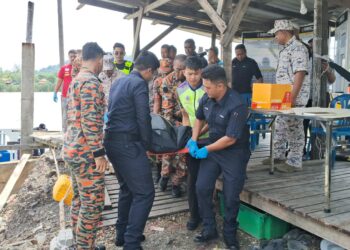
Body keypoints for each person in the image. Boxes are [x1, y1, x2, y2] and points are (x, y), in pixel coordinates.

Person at [188, 65, 250, 249]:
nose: (204, 90)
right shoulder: (208, 97)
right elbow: (200, 118)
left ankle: (230, 234)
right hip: (214, 148)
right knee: (201, 187)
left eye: (207, 87)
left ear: (220, 86)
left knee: (231, 196)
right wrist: (194, 139)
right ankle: (209, 228)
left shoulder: (237, 104)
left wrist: (206, 150)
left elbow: (230, 139)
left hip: (234, 152)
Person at [104, 51, 160, 250]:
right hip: (128, 144)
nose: (152, 78)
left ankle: (122, 234)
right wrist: (148, 145)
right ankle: (132, 242)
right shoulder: (139, 84)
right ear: (149, 70)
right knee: (145, 193)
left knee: (127, 188)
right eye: (153, 75)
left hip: (111, 142)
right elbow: (143, 117)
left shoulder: (119, 81)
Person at [63, 42, 108, 250]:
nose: (101, 65)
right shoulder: (91, 83)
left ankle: (81, 243)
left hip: (72, 148)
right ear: (98, 59)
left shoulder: (76, 80)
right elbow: (90, 123)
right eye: (102, 62)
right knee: (93, 204)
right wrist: (99, 154)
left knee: (80, 200)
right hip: (85, 153)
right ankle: (84, 247)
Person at [264, 19, 310, 172]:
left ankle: (295, 162)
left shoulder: (298, 48)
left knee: (294, 128)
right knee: (280, 125)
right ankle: (278, 156)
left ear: (283, 32)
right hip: (284, 96)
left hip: (293, 97)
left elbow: (300, 73)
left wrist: (292, 98)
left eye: (276, 33)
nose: (275, 37)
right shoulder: (286, 48)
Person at [177, 56, 209, 231]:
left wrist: (197, 136)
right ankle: (193, 215)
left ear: (201, 73)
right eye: (189, 74)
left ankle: (207, 214)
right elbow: (185, 115)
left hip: (209, 139)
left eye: (196, 74)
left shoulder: (208, 88)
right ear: (184, 72)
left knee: (206, 179)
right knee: (192, 179)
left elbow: (210, 120)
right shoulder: (180, 90)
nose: (193, 77)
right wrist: (186, 137)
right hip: (192, 141)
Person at [153, 54, 187, 198]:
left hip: (187, 123)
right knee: (169, 151)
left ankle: (176, 184)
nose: (179, 73)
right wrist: (178, 123)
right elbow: (167, 111)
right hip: (172, 122)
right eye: (177, 69)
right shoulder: (167, 81)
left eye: (182, 69)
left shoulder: (191, 81)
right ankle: (164, 176)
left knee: (183, 156)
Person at [303, 38, 336, 156]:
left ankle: (318, 151)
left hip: (322, 97)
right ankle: (301, 151)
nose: (311, 50)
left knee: (319, 125)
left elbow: (332, 80)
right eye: (310, 47)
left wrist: (327, 71)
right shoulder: (304, 59)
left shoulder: (327, 60)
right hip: (306, 97)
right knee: (303, 124)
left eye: (313, 47)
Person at [53, 49, 77, 132]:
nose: (73, 58)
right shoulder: (64, 68)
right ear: (68, 57)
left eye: (75, 56)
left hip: (76, 97)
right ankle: (64, 132)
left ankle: (73, 132)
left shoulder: (80, 69)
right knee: (65, 115)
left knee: (75, 115)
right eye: (71, 57)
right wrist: (55, 93)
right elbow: (59, 81)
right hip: (65, 96)